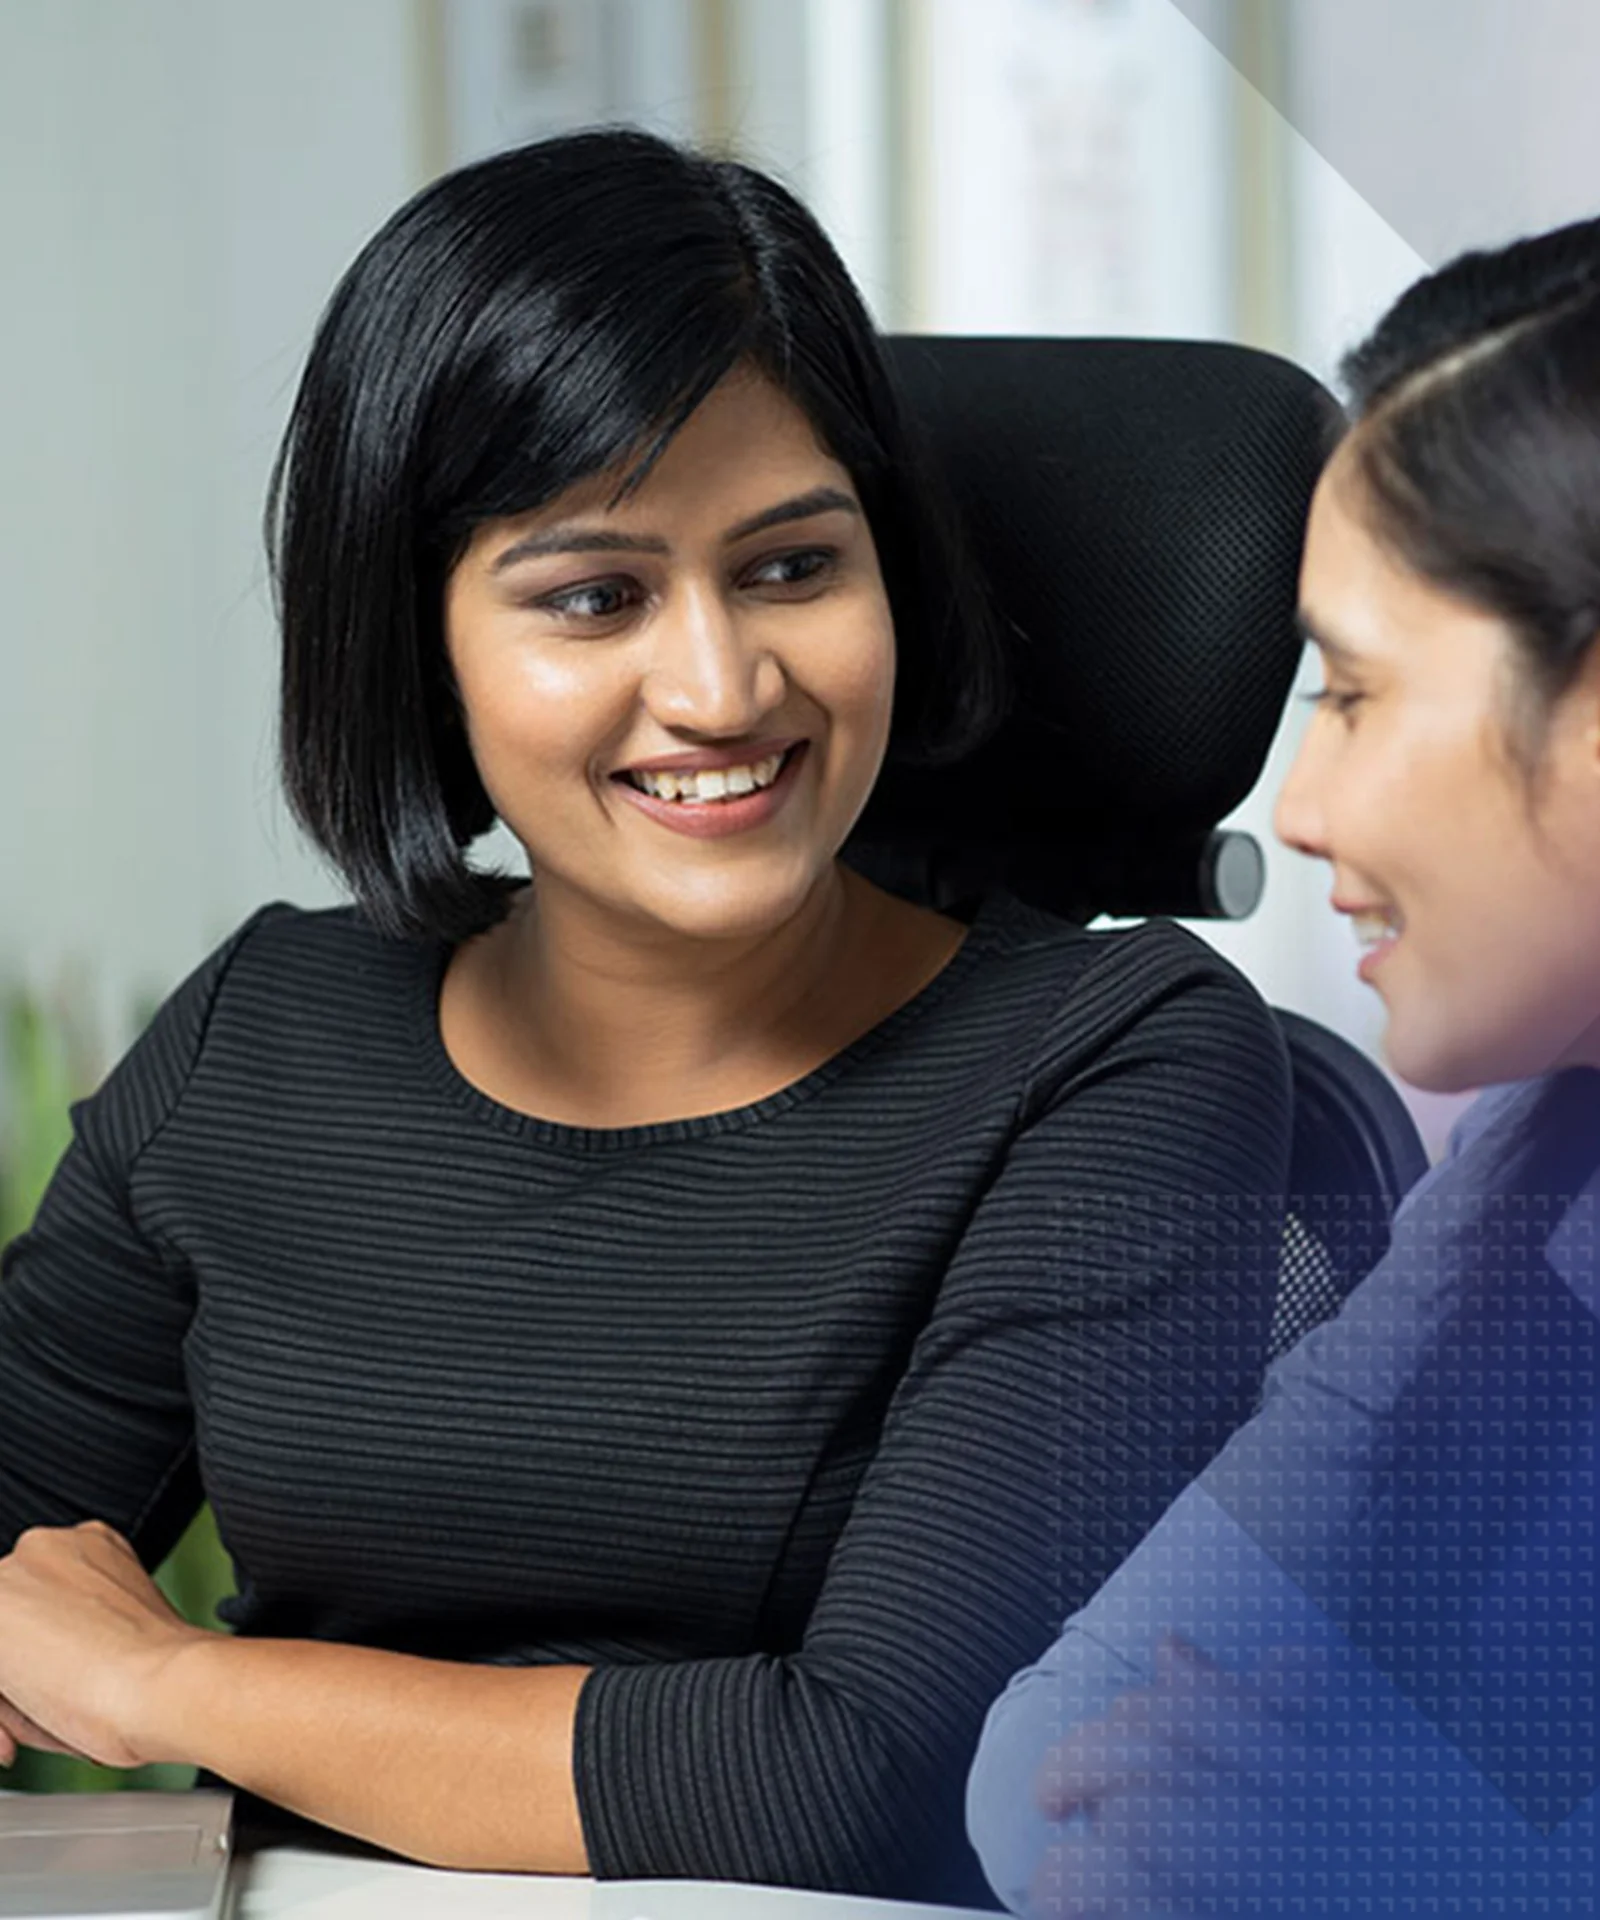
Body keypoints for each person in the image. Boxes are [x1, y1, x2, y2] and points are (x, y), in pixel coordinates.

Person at [0, 130, 1290, 1904]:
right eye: (594, 595)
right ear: (419, 643)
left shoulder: (1118, 1064)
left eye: (790, 568)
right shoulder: (269, 1030)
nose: (720, 685)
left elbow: (867, 1779)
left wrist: (166, 1683)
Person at [967, 216, 1600, 1918]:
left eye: (1356, 693)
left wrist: (1420, 1863)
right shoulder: (1541, 1172)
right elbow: (1045, 1756)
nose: (1296, 810)